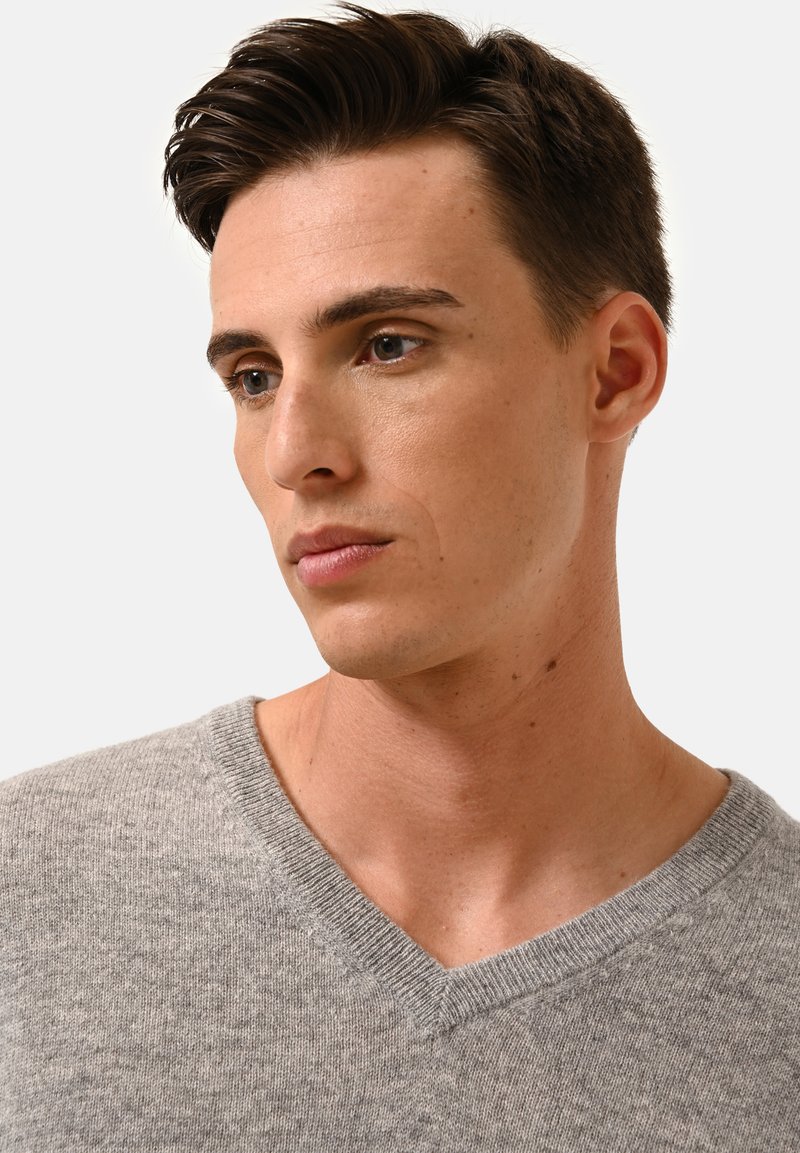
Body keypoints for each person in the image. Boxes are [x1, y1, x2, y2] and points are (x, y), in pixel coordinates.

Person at [1, 5, 797, 1149]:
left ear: (613, 372)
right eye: (255, 375)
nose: (295, 452)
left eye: (386, 345)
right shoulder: (29, 894)